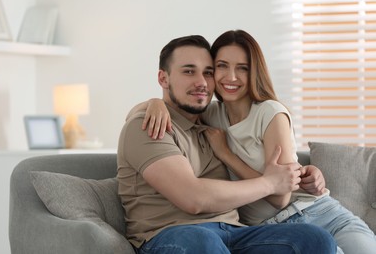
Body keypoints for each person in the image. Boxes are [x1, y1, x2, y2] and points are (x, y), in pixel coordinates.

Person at [138, 30, 376, 254]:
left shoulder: (271, 113)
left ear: (254, 72)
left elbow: (279, 196)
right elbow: (168, 109)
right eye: (222, 66)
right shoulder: (210, 114)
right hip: (269, 231)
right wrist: (154, 103)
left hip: (318, 213)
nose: (231, 77)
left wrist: (226, 154)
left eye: (242, 68)